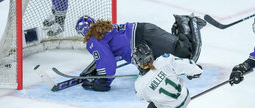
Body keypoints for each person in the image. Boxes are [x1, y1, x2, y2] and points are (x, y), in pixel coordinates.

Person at [75, 14, 206, 92]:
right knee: (164, 65)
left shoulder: (92, 40)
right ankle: (178, 29)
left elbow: (108, 65)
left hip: (145, 40)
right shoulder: (102, 30)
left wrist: (101, 83)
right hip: (144, 32)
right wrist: (93, 70)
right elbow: (108, 55)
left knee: (187, 55)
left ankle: (187, 23)